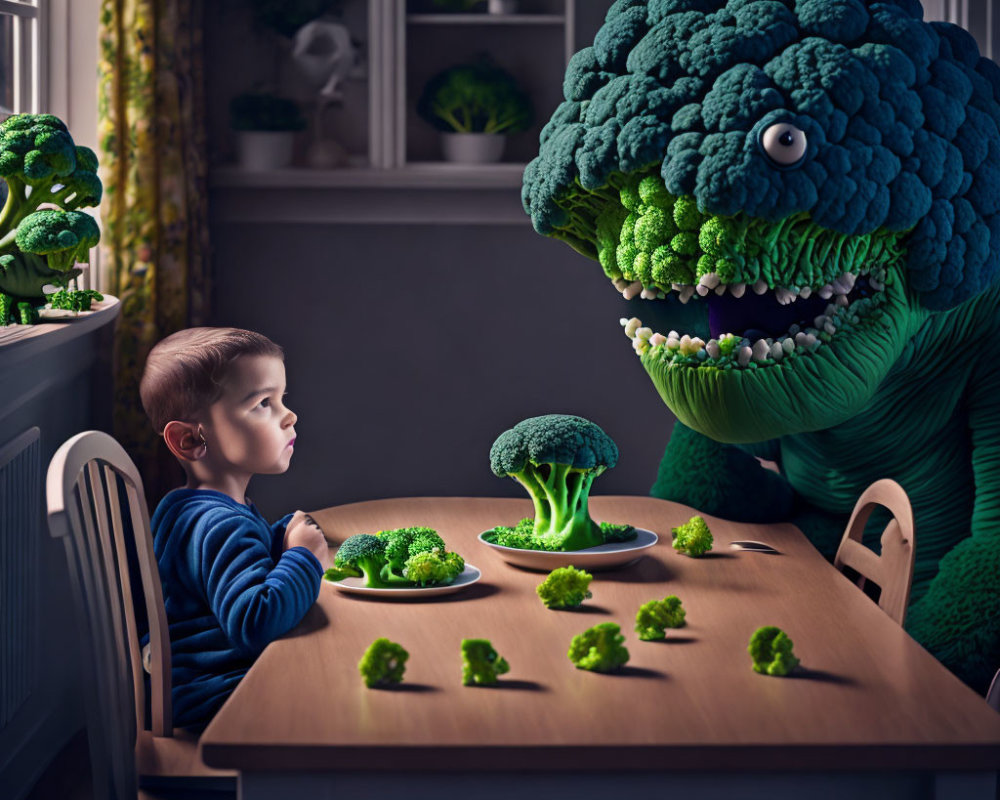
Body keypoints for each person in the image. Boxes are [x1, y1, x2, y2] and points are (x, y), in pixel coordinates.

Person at [139, 326, 332, 728]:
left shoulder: (188, 509)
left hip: (194, 691)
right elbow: (254, 622)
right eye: (264, 403)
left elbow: (235, 567)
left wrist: (280, 536)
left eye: (282, 399)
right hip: (221, 701)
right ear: (191, 440)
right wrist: (301, 556)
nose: (289, 415)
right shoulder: (220, 524)